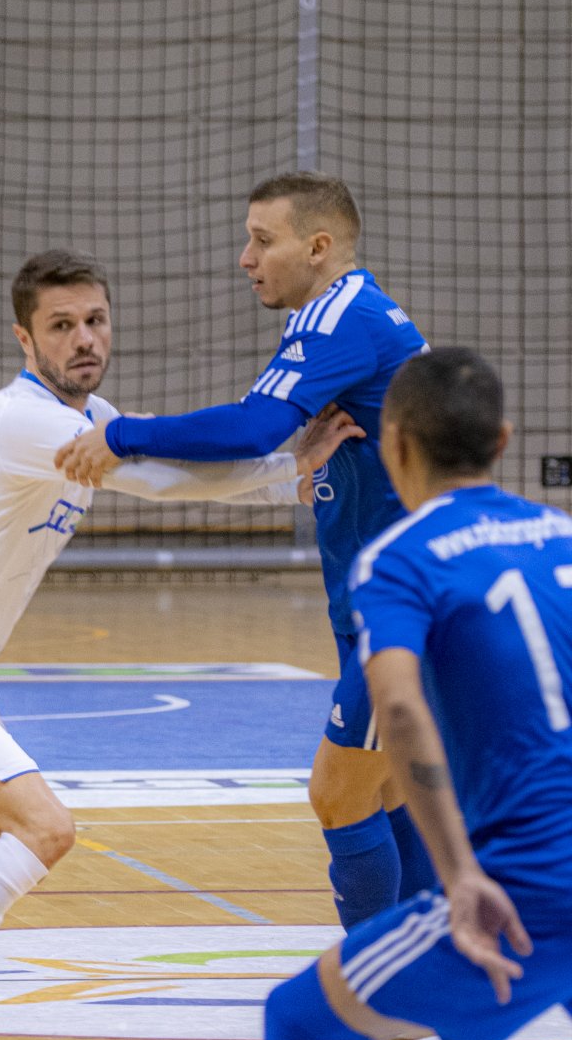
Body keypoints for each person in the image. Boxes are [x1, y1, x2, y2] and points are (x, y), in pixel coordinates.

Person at [0, 249, 359, 1040]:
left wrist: (284, 476)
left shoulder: (90, 412)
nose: (84, 339)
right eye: (62, 326)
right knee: (47, 829)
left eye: (95, 321)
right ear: (23, 338)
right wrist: (285, 463)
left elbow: (174, 467)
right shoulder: (21, 418)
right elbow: (151, 476)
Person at [55, 173, 439, 930]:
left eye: (263, 240)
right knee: (388, 790)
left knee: (337, 793)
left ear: (319, 246)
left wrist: (123, 432)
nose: (245, 258)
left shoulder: (338, 320)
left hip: (404, 609)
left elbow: (250, 429)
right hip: (389, 600)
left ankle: (381, 983)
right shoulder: (349, 315)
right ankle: (433, 959)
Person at [256, 348, 572, 1040]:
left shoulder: (399, 558)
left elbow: (397, 709)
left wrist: (461, 871)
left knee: (295, 1026)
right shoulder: (563, 538)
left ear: (392, 446)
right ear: (502, 441)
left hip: (533, 888)